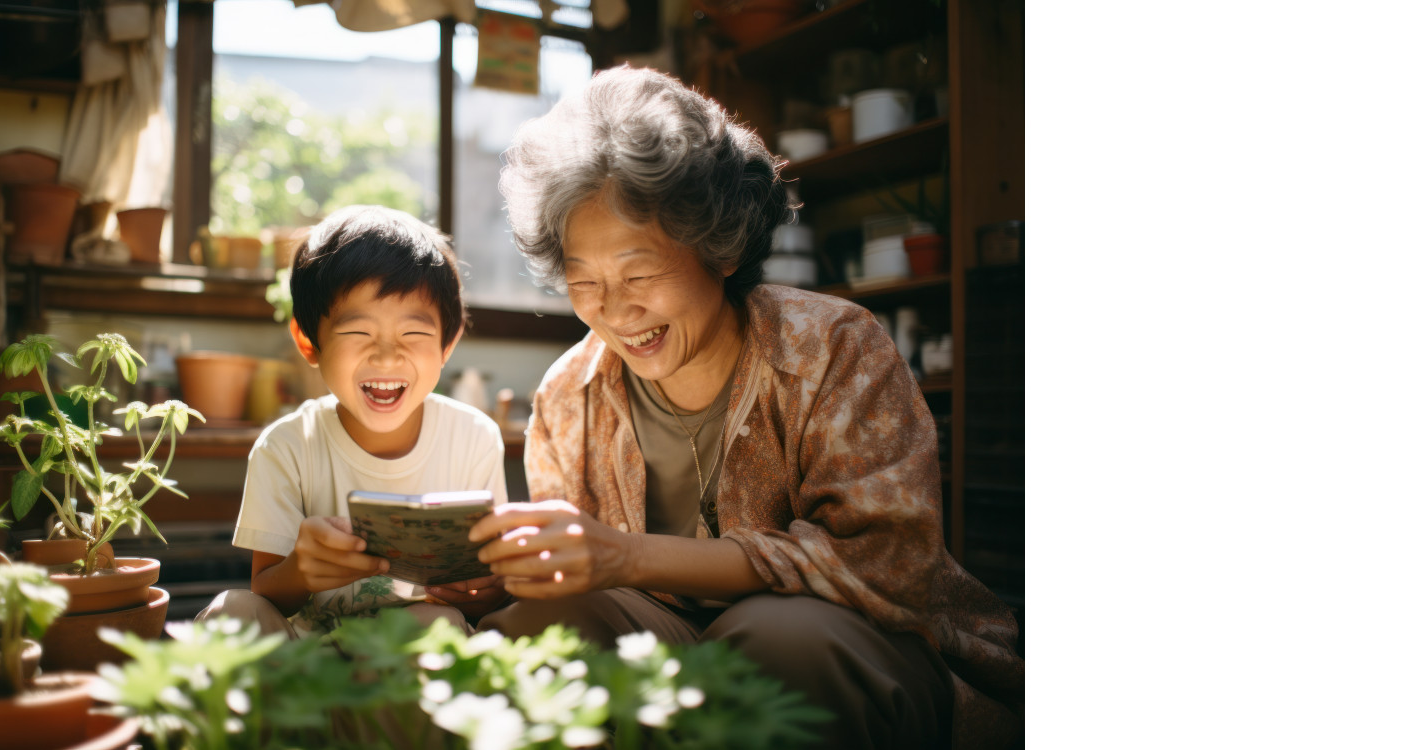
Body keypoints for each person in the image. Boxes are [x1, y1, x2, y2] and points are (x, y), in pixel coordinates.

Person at [469, 66, 1024, 749]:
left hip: (854, 644)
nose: (615, 310)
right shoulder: (569, 393)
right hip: (665, 641)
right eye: (586, 281)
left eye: (640, 273)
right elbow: (580, 588)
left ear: (720, 249)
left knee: (773, 647)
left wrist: (629, 558)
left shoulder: (833, 348)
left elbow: (886, 563)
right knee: (536, 635)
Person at [197, 205, 512, 639]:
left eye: (414, 334)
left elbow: (487, 591)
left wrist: (484, 590)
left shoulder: (474, 438)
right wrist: (302, 570)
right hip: (306, 663)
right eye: (357, 333)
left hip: (403, 665)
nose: (386, 356)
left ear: (447, 344)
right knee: (231, 611)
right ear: (309, 342)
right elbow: (265, 592)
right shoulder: (286, 446)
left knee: (434, 623)